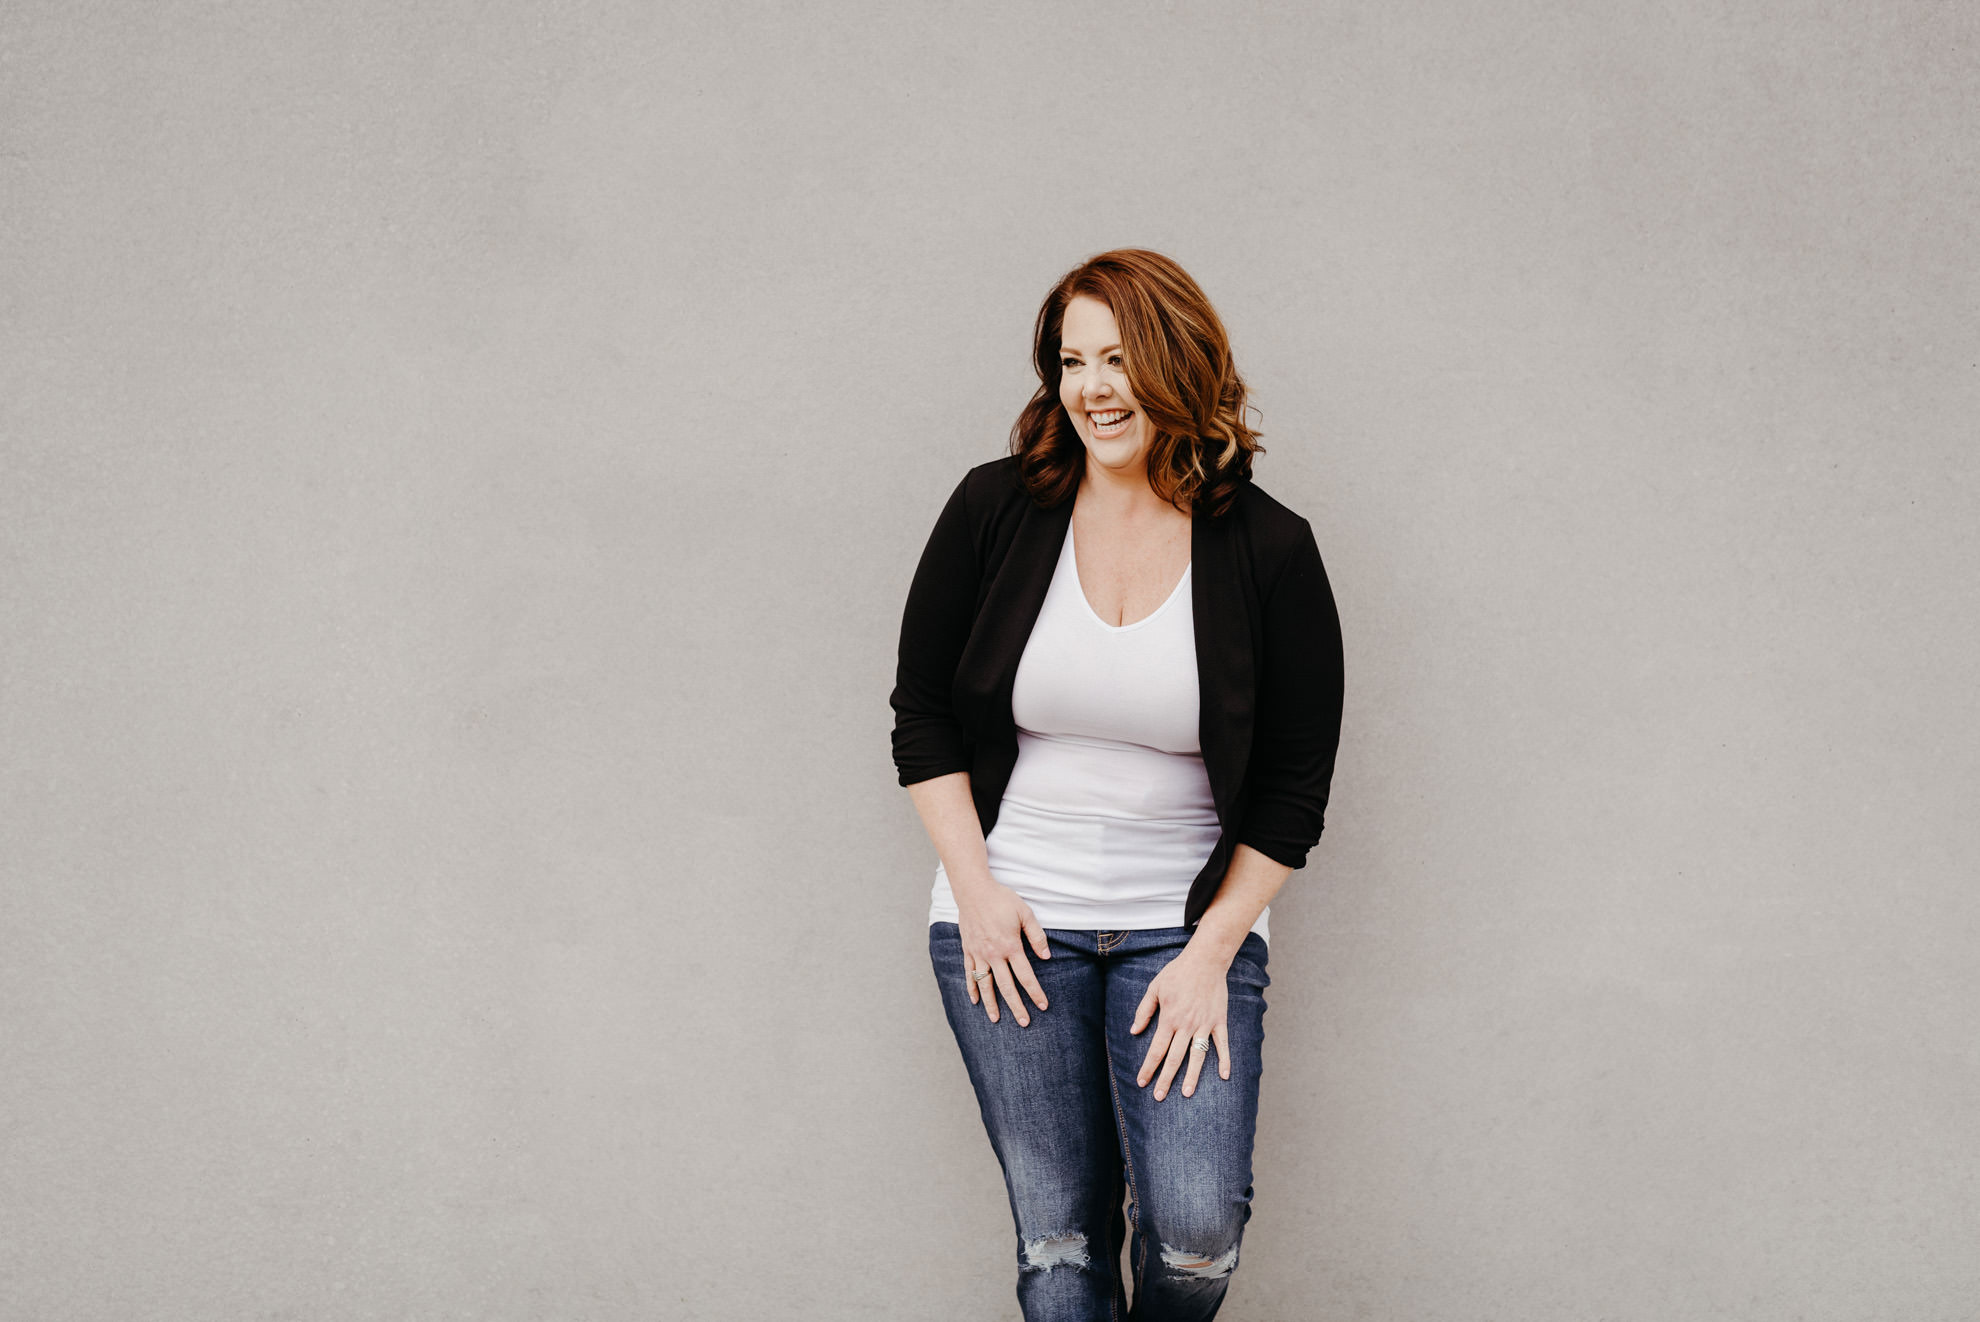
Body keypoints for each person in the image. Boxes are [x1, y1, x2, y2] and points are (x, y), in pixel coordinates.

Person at [889, 248, 1345, 1321]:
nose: (1093, 388)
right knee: (1059, 1244)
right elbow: (924, 717)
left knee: (1195, 1238)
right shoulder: (994, 508)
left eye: (1118, 358)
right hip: (1011, 920)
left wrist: (1212, 952)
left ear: (1178, 362)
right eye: (1072, 361)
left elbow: (1293, 788)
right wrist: (976, 893)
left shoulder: (1270, 548)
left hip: (1185, 933)